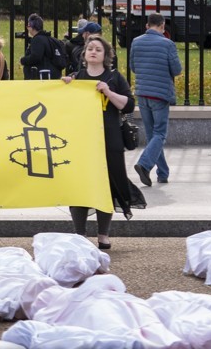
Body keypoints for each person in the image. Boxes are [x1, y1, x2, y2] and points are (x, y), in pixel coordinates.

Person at [62, 34, 136, 249]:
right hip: (82, 142)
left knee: (107, 185)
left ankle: (103, 234)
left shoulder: (114, 78)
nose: (93, 51)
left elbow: (128, 105)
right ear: (84, 54)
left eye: (98, 49)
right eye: (90, 48)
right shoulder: (76, 78)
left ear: (105, 56)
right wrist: (65, 88)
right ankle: (79, 234)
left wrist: (108, 91)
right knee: (79, 186)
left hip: (109, 140)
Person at [129, 13, 182, 186]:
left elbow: (133, 67)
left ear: (147, 25)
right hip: (160, 95)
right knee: (160, 134)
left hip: (143, 93)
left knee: (153, 135)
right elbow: (176, 70)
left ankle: (163, 173)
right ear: (162, 26)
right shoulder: (168, 44)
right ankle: (144, 165)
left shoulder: (136, 42)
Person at [19, 13, 62, 80]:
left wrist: (23, 60)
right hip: (52, 75)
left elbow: (35, 57)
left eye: (28, 26)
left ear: (32, 26)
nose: (27, 28)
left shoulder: (37, 39)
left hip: (42, 77)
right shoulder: (48, 38)